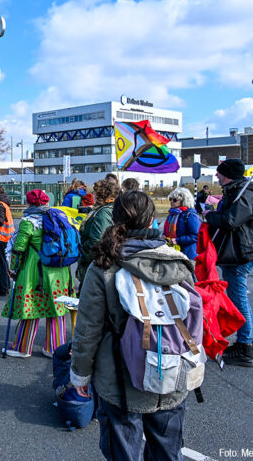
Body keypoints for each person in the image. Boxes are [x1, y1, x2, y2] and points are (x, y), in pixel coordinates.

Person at [70, 191, 195, 461]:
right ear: (152, 221)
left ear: (115, 221)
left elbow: (88, 330)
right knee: (167, 450)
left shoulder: (104, 266)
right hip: (171, 370)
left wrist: (80, 375)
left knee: (123, 449)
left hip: (119, 374)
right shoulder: (177, 262)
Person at [205, 159, 253, 367]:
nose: (217, 177)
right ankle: (242, 342)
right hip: (234, 254)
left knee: (239, 300)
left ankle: (245, 347)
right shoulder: (236, 192)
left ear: (228, 174)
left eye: (219, 173)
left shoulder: (245, 194)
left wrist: (211, 215)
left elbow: (231, 220)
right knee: (236, 299)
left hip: (240, 255)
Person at [3, 189, 73, 358]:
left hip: (35, 269)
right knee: (56, 308)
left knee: (31, 306)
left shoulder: (29, 221)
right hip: (59, 270)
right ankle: (55, 349)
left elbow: (19, 248)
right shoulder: (59, 216)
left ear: (30, 203)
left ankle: (23, 347)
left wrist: (13, 268)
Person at [76, 178, 120, 288]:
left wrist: (82, 253)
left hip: (96, 265)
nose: (93, 194)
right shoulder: (111, 208)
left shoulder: (103, 212)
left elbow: (97, 240)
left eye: (95, 192)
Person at [163, 187, 202, 259]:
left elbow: (196, 236)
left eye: (174, 200)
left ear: (183, 201)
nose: (171, 201)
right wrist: (164, 236)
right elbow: (168, 231)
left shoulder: (190, 215)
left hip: (187, 253)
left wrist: (178, 240)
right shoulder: (172, 214)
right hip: (173, 251)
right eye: (170, 199)